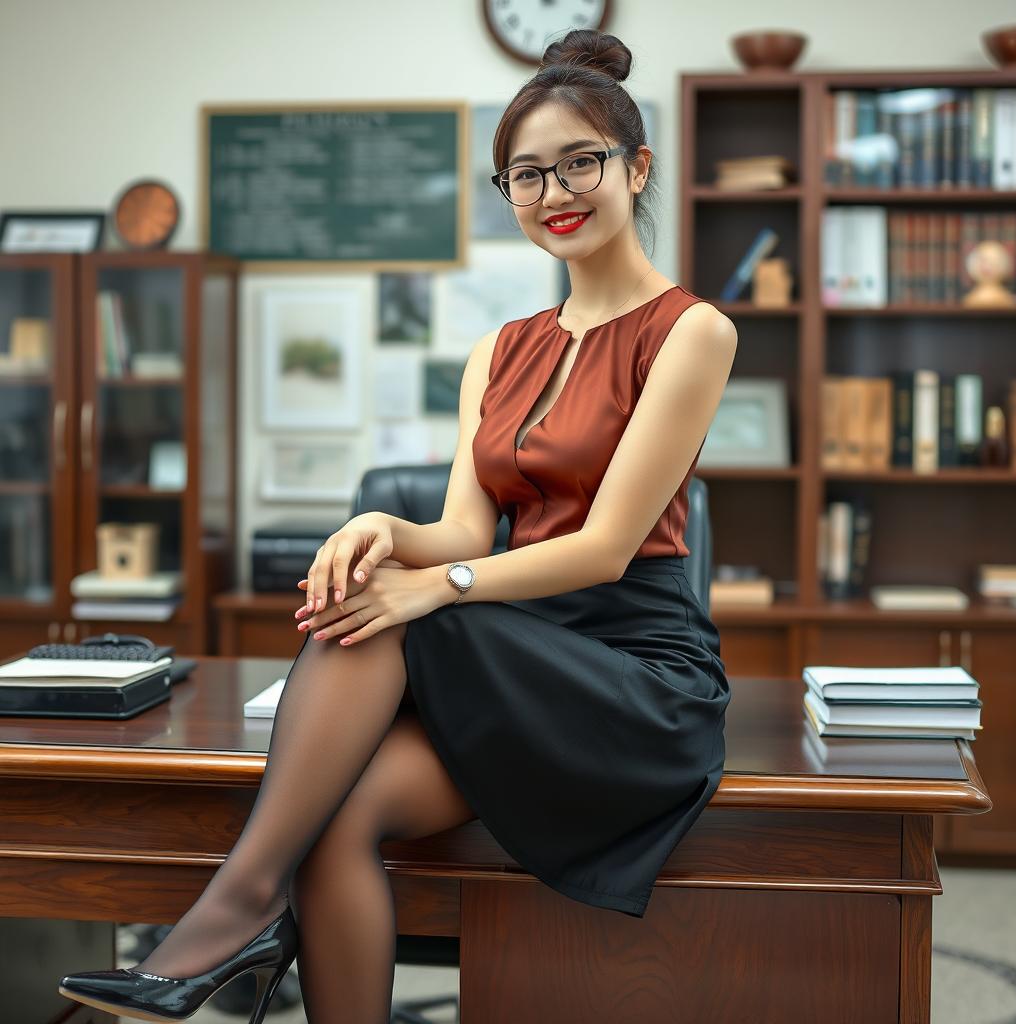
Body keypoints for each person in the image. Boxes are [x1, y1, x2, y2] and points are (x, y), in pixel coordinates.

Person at [57, 26, 737, 1024]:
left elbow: (600, 547)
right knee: (337, 819)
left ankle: (226, 916)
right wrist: (381, 525)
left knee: (398, 610)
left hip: (634, 677)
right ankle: (244, 915)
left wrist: (435, 586)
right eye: (526, 175)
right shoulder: (498, 350)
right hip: (523, 652)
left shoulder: (690, 331)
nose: (555, 195)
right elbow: (465, 528)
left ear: (636, 168)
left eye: (580, 163)